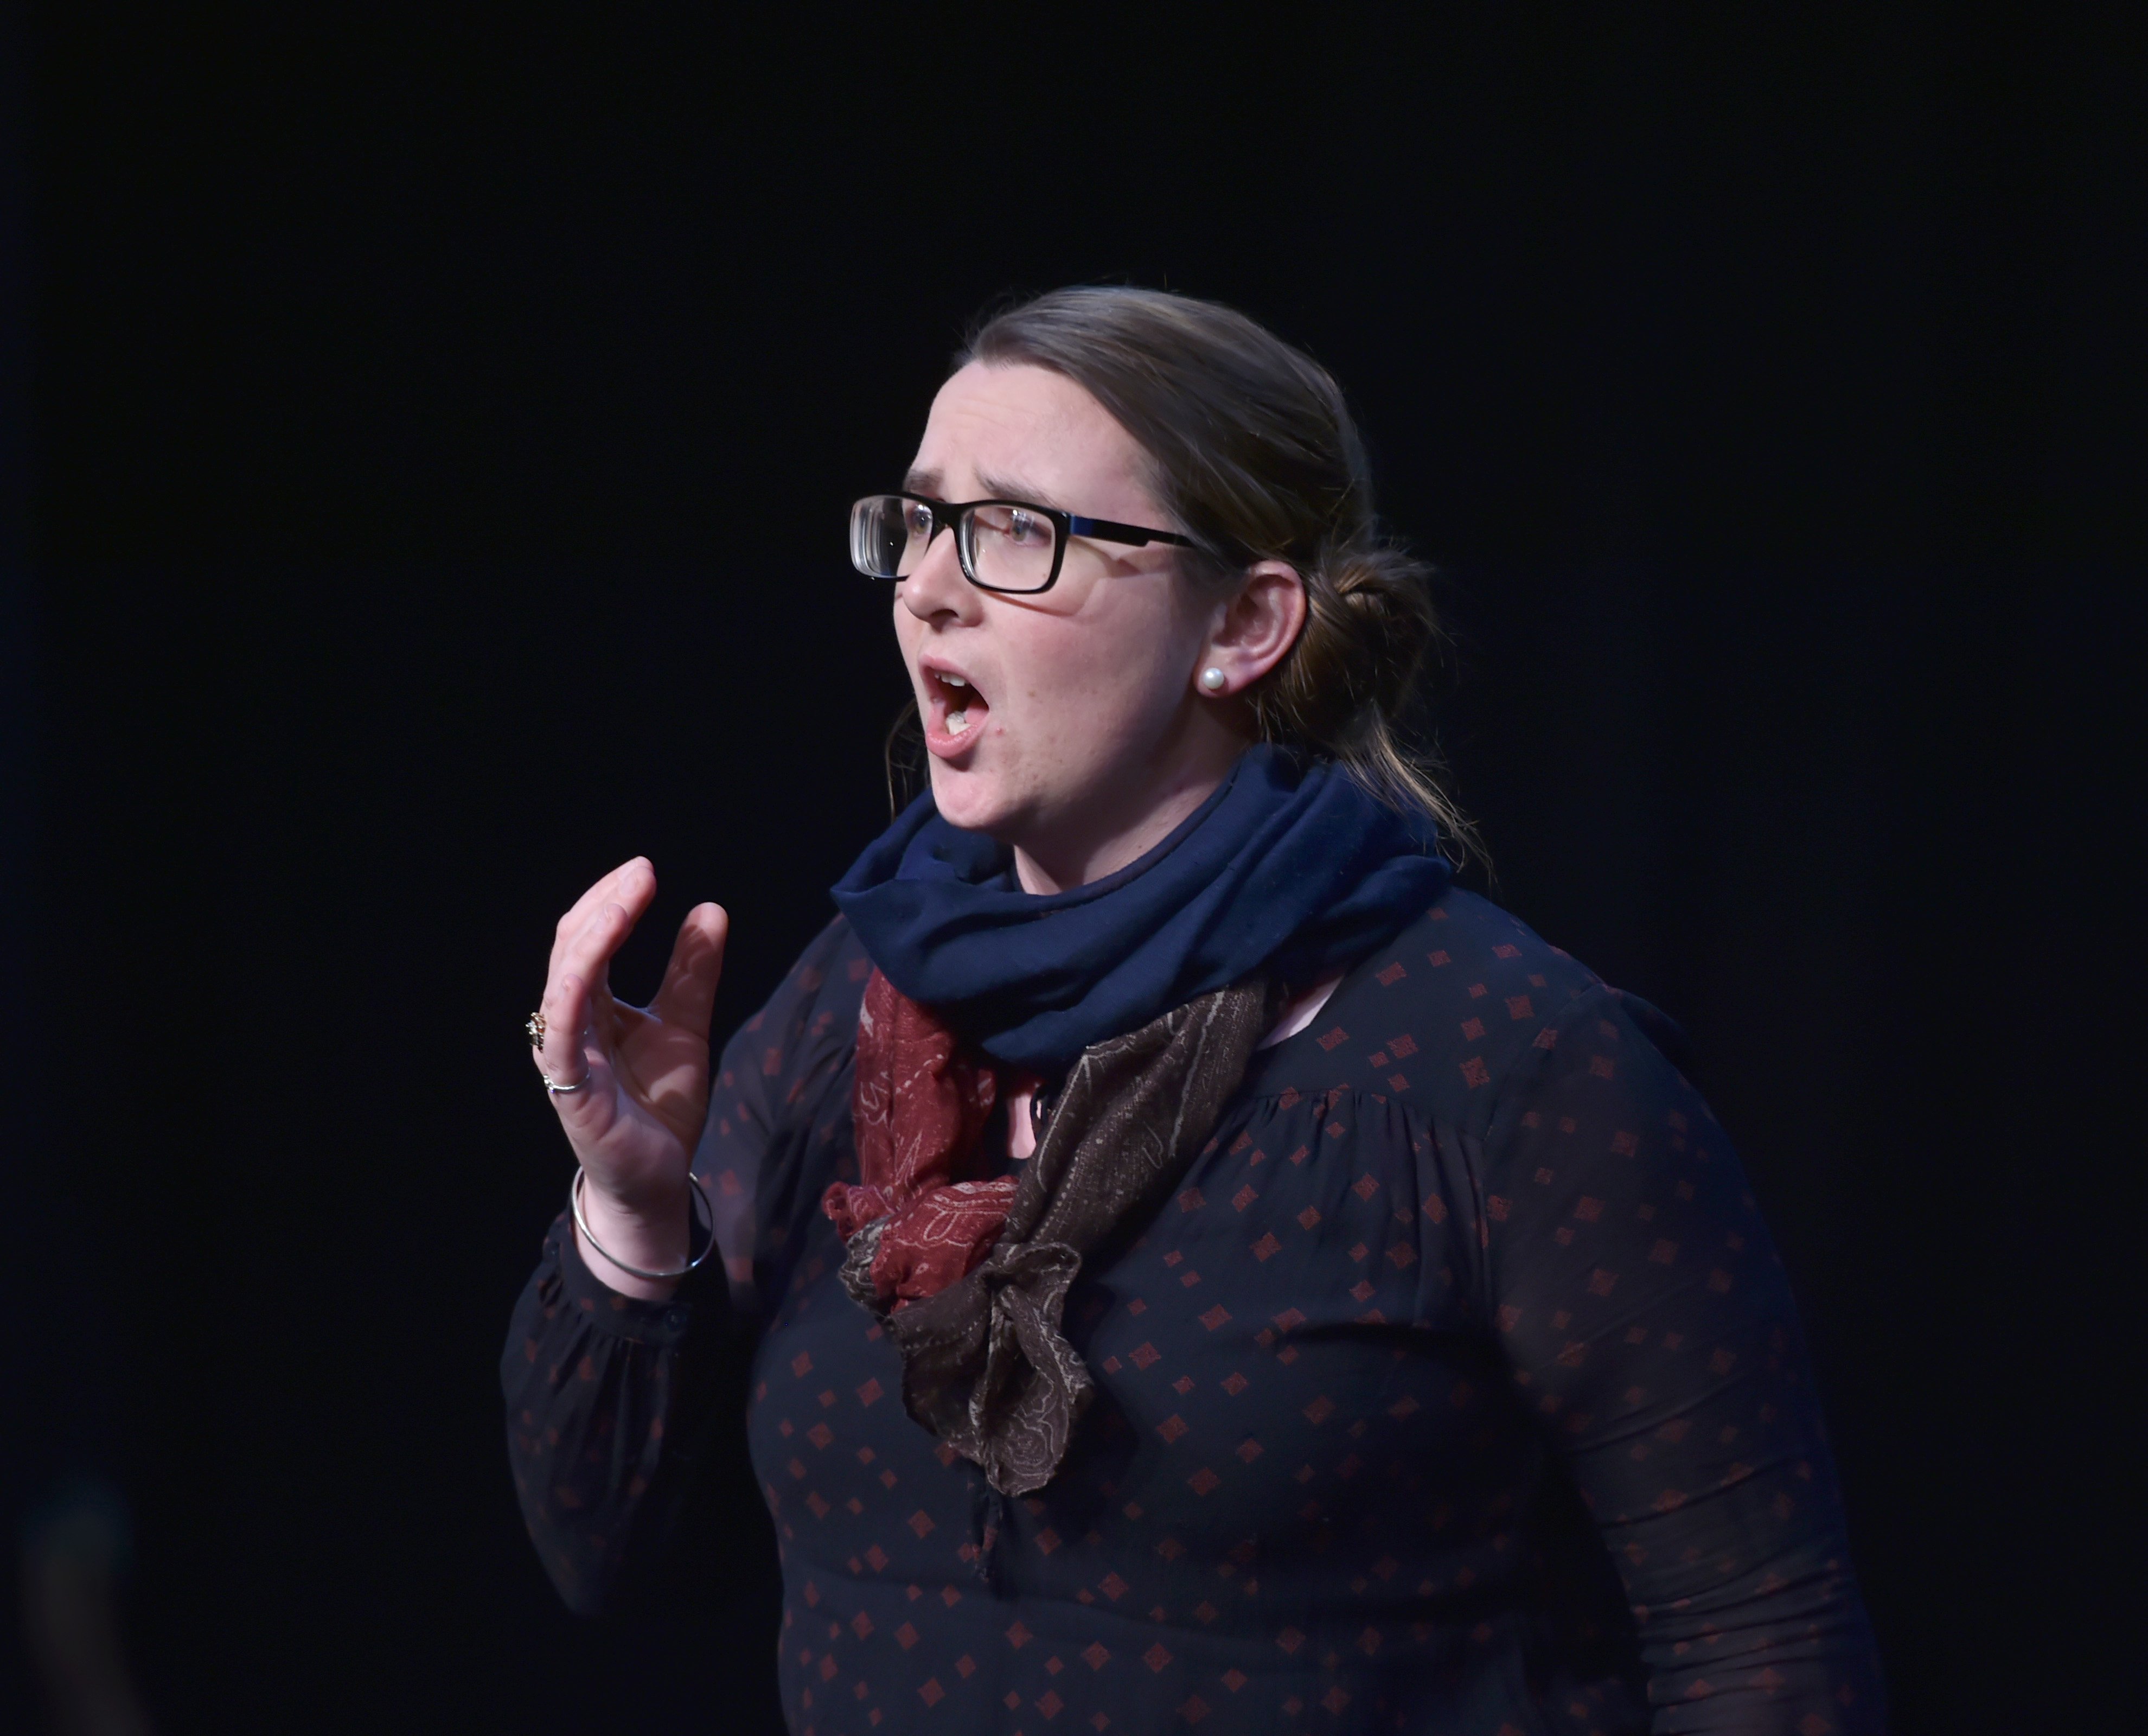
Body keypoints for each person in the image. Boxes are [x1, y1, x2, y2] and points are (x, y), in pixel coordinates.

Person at [504, 286, 1886, 1734]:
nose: (929, 588)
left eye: (1018, 531)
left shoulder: (1511, 1070)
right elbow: (620, 1562)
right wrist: (634, 1221)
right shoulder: (849, 1009)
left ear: (1244, 623)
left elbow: (1766, 1655)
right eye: (917, 523)